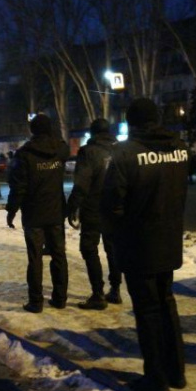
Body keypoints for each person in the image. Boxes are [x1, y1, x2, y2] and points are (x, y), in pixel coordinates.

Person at [101, 98, 190, 391]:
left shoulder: (125, 152)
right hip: (169, 238)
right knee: (167, 303)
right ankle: (176, 371)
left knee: (148, 310)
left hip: (138, 242)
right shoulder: (179, 148)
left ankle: (156, 377)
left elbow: (112, 200)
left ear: (133, 122)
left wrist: (116, 231)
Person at [6, 113, 69, 313]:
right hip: (56, 212)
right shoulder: (61, 149)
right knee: (59, 255)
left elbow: (18, 188)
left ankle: (36, 301)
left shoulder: (24, 155)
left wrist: (11, 210)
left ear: (32, 130)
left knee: (35, 258)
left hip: (34, 214)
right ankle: (60, 298)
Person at [67, 118, 122, 310]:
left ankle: (98, 293)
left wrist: (72, 206)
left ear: (92, 133)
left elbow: (82, 183)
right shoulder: (121, 150)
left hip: (94, 208)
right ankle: (115, 290)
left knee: (89, 248)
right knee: (113, 248)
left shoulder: (88, 152)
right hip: (116, 208)